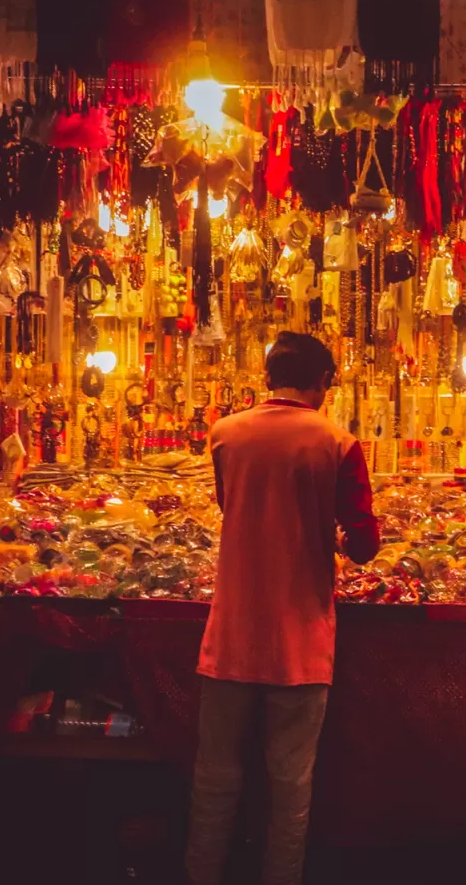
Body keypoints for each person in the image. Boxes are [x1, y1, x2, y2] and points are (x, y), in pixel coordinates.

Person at [186, 332, 379, 885]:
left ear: (268, 378)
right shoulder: (337, 444)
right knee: (290, 786)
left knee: (214, 777)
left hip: (231, 634)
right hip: (300, 641)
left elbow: (232, 504)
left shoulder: (226, 434)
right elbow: (362, 543)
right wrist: (340, 541)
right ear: (321, 383)